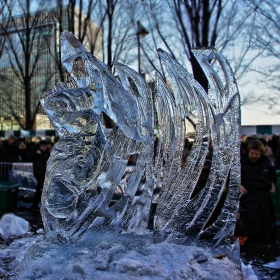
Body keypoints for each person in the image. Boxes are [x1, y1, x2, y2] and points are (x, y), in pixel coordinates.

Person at [238, 139, 276, 243]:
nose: (254, 156)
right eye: (252, 153)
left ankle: (268, 242)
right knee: (250, 218)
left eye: (257, 154)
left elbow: (272, 173)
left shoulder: (265, 160)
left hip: (263, 193)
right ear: (248, 151)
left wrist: (272, 183)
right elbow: (232, 175)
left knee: (267, 219)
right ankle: (250, 241)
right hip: (248, 193)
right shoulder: (241, 161)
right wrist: (238, 184)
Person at [26, 140, 49, 210]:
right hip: (39, 173)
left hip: (44, 173)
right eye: (43, 146)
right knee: (41, 189)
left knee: (40, 189)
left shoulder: (45, 153)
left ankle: (36, 204)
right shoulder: (36, 151)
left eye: (45, 146)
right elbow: (27, 156)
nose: (45, 148)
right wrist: (35, 153)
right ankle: (36, 204)